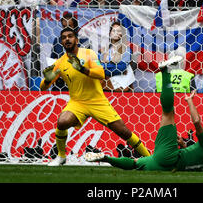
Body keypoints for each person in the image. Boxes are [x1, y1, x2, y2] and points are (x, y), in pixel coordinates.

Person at [85, 55, 203, 172]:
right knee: (135, 163)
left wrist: (189, 101)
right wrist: (183, 145)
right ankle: (105, 158)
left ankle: (164, 71)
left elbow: (196, 122)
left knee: (168, 112)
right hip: (165, 165)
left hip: (170, 156)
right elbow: (191, 159)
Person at [41, 27, 151, 166]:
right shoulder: (60, 63)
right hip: (77, 103)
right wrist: (46, 80)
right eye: (64, 37)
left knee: (123, 131)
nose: (67, 39)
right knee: (62, 121)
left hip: (97, 101)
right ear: (62, 42)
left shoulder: (88, 54)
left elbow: (101, 73)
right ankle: (61, 157)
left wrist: (82, 69)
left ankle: (149, 157)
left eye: (70, 36)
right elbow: (43, 87)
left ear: (76, 39)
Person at [99, 21, 135, 92]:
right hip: (104, 88)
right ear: (110, 33)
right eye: (113, 30)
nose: (116, 32)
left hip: (121, 88)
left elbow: (121, 67)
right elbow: (97, 65)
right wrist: (113, 64)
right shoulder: (103, 50)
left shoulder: (126, 50)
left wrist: (105, 65)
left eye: (119, 31)